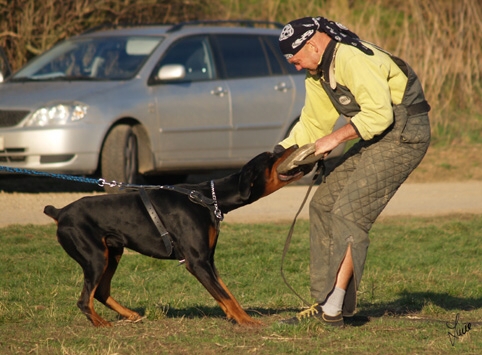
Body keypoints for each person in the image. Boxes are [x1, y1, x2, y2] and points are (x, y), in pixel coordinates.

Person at [275, 16, 431, 327]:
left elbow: (379, 114)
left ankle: (335, 307)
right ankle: (322, 300)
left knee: (349, 214)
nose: (295, 66)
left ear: (313, 45)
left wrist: (334, 139)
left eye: (295, 59)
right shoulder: (317, 74)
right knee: (323, 205)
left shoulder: (350, 57)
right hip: (377, 132)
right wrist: (277, 156)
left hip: (404, 132)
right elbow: (312, 125)